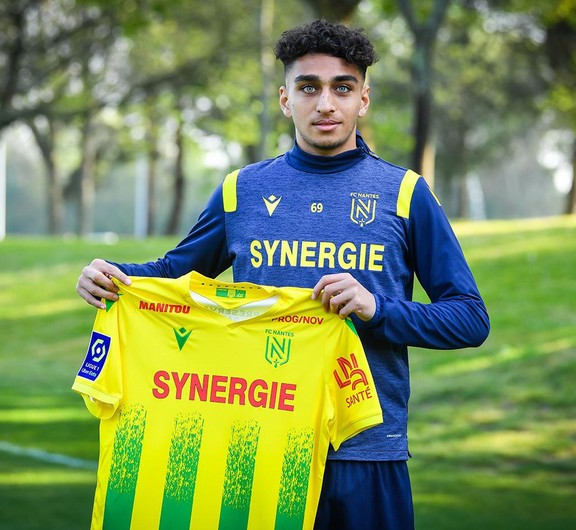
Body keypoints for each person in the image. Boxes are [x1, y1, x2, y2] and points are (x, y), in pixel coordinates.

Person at [76, 19, 489, 530]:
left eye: (343, 88)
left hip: (365, 453)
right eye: (308, 87)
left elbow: (470, 319)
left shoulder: (405, 194)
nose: (325, 104)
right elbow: (172, 274)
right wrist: (111, 276)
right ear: (284, 99)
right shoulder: (241, 191)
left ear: (363, 99)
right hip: (261, 454)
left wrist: (377, 309)